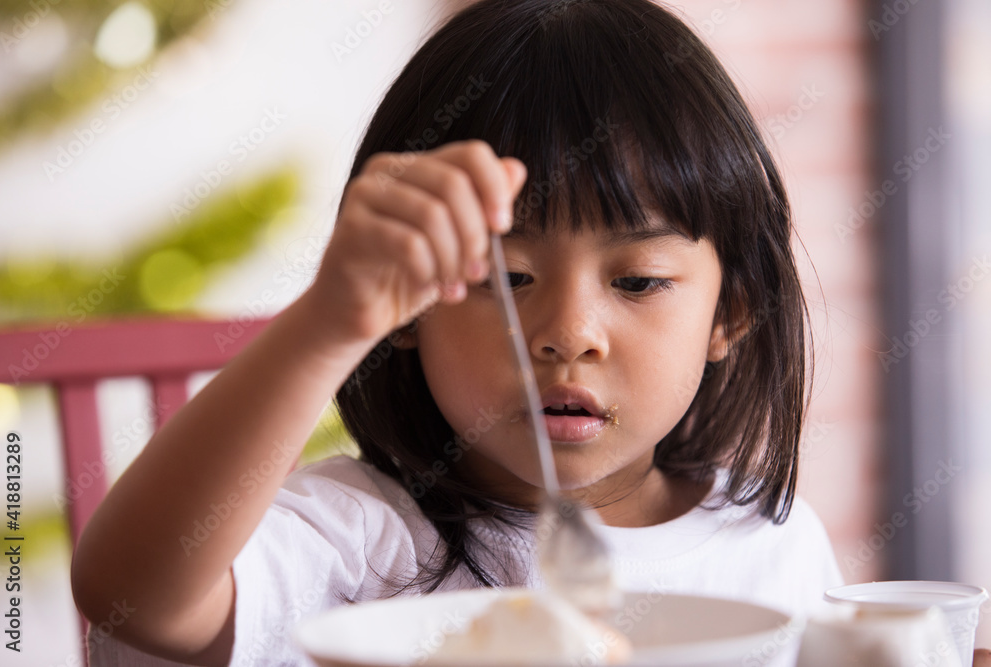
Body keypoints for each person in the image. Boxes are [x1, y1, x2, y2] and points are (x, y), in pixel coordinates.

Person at [71, 1, 857, 665]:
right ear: (411, 310)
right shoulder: (361, 542)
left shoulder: (770, 542)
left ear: (732, 313)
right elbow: (131, 596)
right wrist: (323, 326)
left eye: (637, 281)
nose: (569, 334)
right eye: (504, 280)